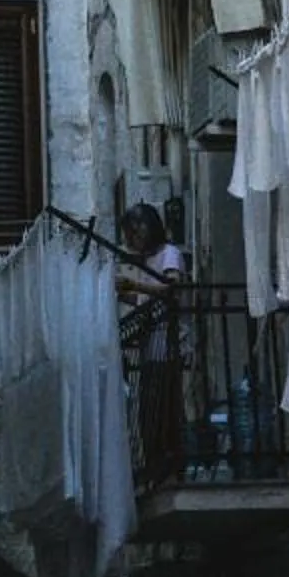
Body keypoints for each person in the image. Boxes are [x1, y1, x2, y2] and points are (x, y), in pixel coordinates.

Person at [118, 203, 186, 478]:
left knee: (162, 410)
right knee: (149, 411)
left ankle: (167, 467)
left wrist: (134, 286)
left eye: (136, 232)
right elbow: (147, 298)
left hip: (167, 346)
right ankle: (155, 466)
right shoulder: (146, 262)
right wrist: (124, 294)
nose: (133, 240)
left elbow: (170, 287)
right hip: (151, 348)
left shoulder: (169, 254)